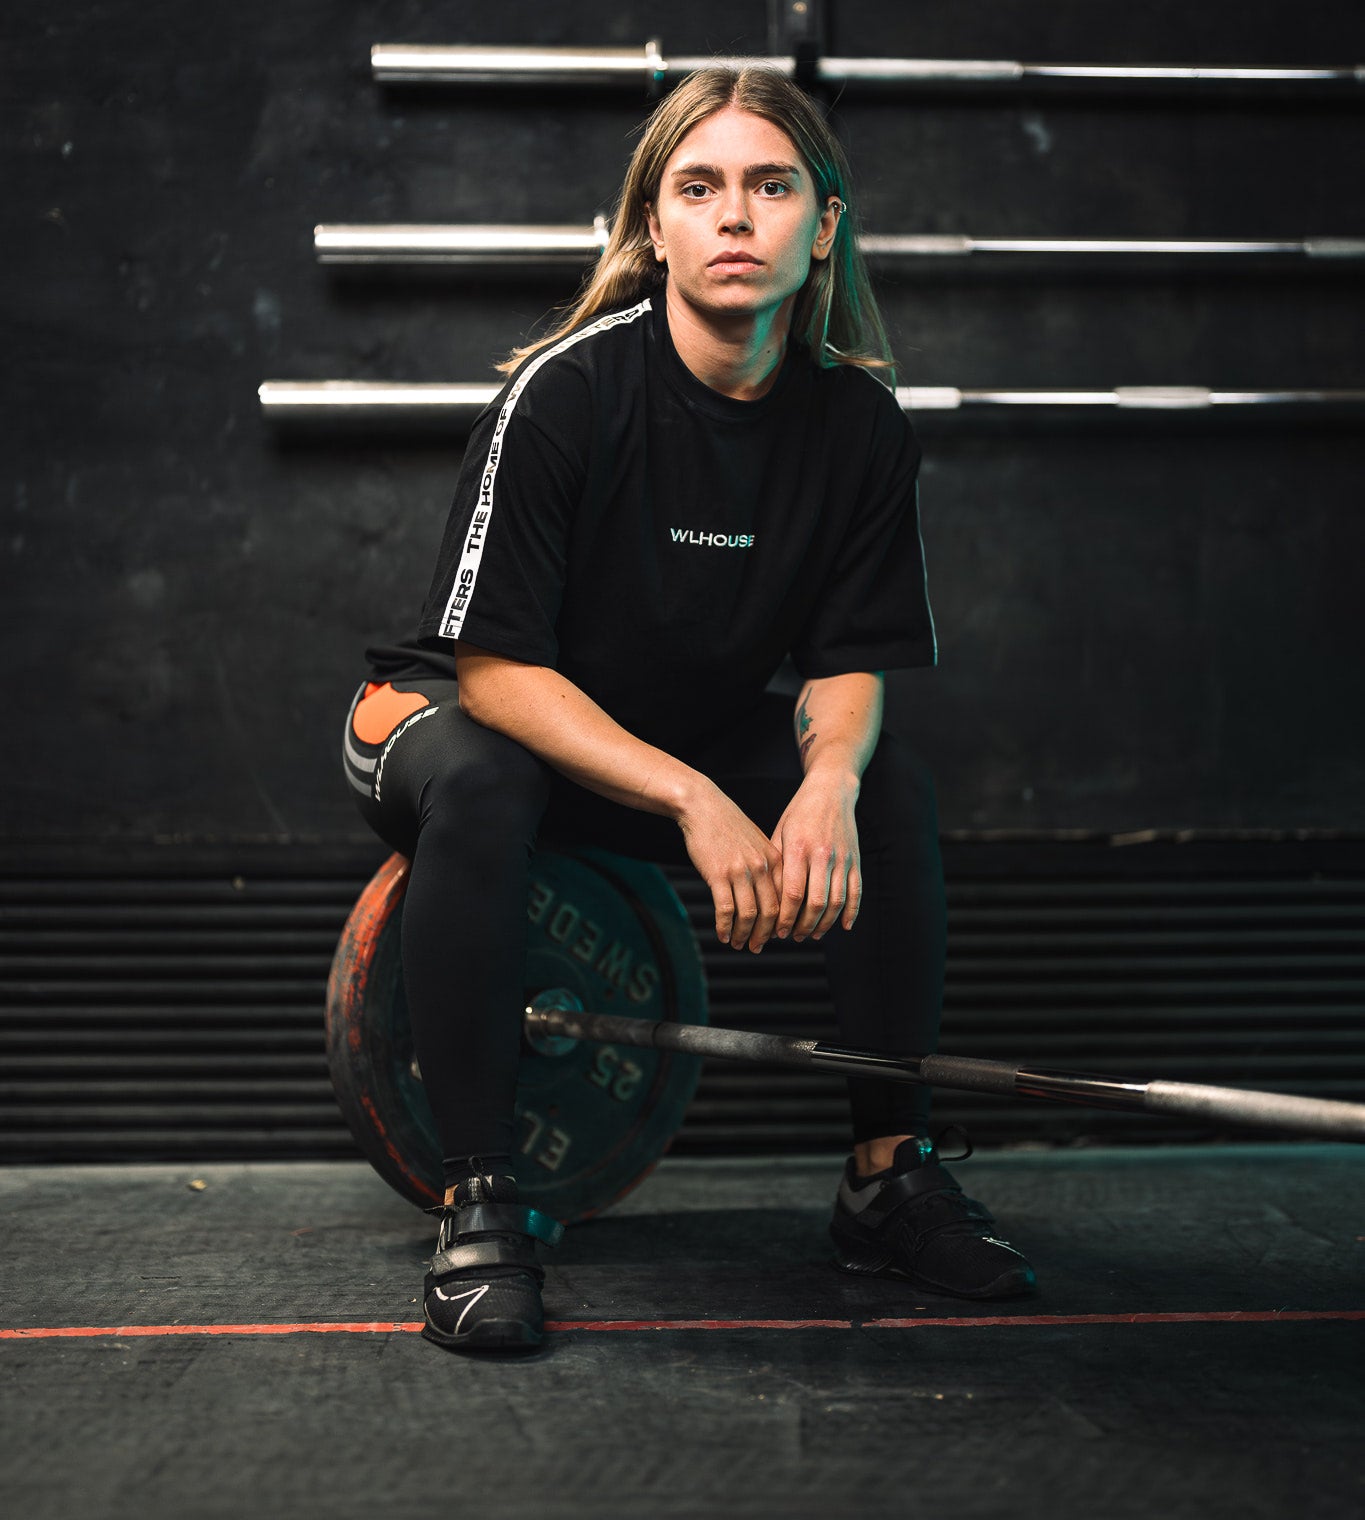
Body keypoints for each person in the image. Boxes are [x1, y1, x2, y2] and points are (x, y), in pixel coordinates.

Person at [343, 65, 1036, 1354]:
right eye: (699, 187)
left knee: (887, 785)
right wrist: (693, 797)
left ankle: (886, 1176)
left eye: (772, 186)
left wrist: (825, 782)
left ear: (822, 226)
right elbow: (496, 675)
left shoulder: (858, 425)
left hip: (662, 731)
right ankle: (479, 1198)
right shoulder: (568, 392)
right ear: (652, 227)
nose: (735, 215)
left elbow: (849, 662)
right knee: (491, 779)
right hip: (453, 716)